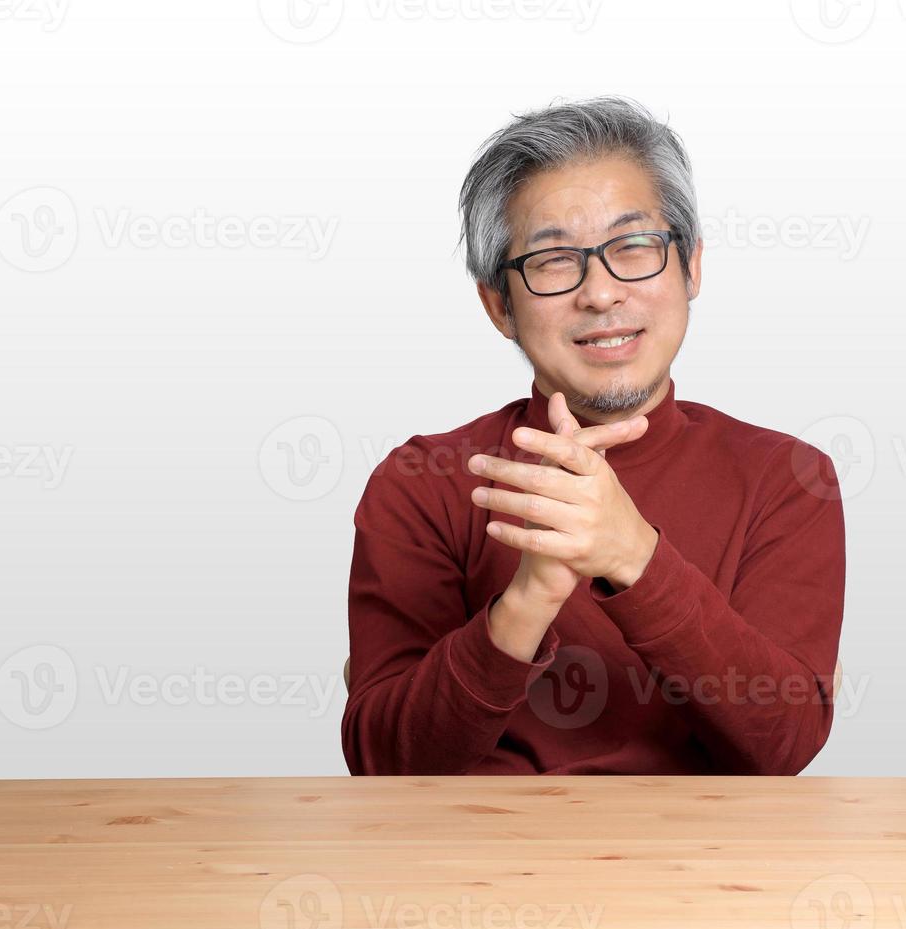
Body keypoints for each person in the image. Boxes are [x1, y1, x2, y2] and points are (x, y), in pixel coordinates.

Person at [341, 96, 846, 775]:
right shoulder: (423, 480)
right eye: (553, 261)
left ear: (691, 267)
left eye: (633, 246)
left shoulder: (787, 476)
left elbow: (781, 747)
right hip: (477, 869)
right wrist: (527, 601)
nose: (602, 293)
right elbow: (385, 766)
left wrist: (633, 555)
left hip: (709, 871)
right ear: (500, 306)